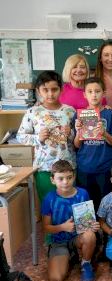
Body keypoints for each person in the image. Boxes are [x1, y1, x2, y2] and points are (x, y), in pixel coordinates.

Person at [17, 71, 76, 205]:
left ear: (60, 89)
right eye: (45, 90)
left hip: (68, 165)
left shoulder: (70, 111)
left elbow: (79, 138)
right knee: (48, 203)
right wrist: (38, 138)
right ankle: (49, 227)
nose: (50, 94)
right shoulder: (33, 112)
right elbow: (20, 137)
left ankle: (68, 226)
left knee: (69, 202)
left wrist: (70, 133)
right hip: (44, 167)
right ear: (38, 91)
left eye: (54, 89)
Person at [42, 160, 99, 281]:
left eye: (69, 178)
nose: (65, 182)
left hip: (78, 237)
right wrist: (63, 227)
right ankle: (70, 256)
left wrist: (93, 225)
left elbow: (88, 219)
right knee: (55, 279)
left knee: (90, 235)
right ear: (52, 180)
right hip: (59, 242)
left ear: (74, 177)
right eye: (60, 178)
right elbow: (46, 227)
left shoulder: (83, 193)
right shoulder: (49, 198)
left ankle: (86, 263)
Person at [74, 77, 112, 209]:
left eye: (97, 91)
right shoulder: (79, 115)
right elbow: (77, 145)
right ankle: (90, 229)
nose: (94, 95)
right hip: (84, 167)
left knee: (105, 202)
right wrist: (78, 132)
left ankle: (105, 228)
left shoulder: (110, 114)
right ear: (84, 94)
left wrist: (104, 133)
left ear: (103, 93)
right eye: (90, 91)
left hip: (105, 167)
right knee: (87, 204)